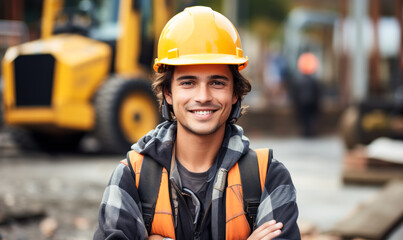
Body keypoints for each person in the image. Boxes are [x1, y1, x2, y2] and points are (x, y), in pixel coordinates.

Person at [94, 6, 300, 240]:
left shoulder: (268, 177)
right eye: (188, 83)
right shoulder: (132, 176)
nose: (203, 96)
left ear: (235, 92)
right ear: (168, 93)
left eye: (217, 83)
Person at [291, 52, 321, 137]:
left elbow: (295, 92)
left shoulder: (298, 80)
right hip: (311, 102)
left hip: (302, 102)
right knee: (310, 117)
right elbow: (317, 92)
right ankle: (309, 132)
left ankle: (306, 132)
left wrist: (295, 101)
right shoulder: (314, 81)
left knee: (304, 118)